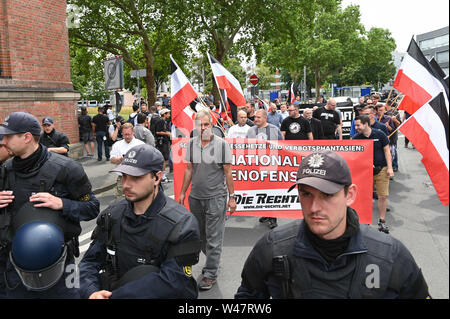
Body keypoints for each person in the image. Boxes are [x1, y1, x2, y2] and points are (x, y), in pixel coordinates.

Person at [235, 150, 430, 299]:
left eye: (327, 195)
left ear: (350, 195)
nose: (314, 207)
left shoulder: (390, 255)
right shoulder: (272, 247)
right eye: (306, 194)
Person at [79, 144, 201, 299]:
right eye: (124, 176)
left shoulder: (183, 224)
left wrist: (115, 297)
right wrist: (91, 292)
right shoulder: (112, 214)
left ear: (157, 177)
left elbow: (172, 281)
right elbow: (89, 262)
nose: (126, 184)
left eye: (136, 177)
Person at [0, 112, 99, 298]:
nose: (3, 141)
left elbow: (92, 207)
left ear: (27, 137)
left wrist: (63, 203)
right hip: (15, 268)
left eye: (8, 136)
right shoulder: (6, 169)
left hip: (61, 267)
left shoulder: (67, 169)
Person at [178, 109, 236, 291]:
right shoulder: (192, 144)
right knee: (199, 236)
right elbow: (188, 169)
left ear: (211, 125)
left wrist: (232, 197)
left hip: (216, 198)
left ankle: (210, 272)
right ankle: (214, 259)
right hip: (195, 198)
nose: (202, 128)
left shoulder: (221, 145)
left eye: (206, 124)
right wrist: (182, 193)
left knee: (213, 237)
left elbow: (228, 171)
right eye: (199, 125)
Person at [353, 115, 394, 233]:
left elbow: (387, 151)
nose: (356, 128)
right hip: (365, 172)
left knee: (382, 196)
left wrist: (390, 168)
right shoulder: (356, 138)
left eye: (358, 125)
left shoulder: (380, 134)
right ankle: (365, 221)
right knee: (365, 197)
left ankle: (382, 221)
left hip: (382, 169)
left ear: (366, 124)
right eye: (355, 125)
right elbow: (355, 156)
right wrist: (365, 163)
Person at [247, 109, 283, 229]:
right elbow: (246, 146)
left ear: (265, 118)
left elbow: (282, 147)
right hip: (257, 168)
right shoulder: (251, 130)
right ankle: (265, 213)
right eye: (255, 117)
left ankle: (273, 217)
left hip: (271, 166)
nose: (255, 119)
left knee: (271, 192)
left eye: (258, 117)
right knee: (260, 191)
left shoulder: (274, 129)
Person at [110, 123, 145, 200]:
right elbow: (112, 160)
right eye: (124, 134)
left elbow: (146, 161)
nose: (127, 136)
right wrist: (118, 160)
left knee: (138, 198)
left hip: (137, 177)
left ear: (133, 132)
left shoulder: (140, 144)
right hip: (122, 177)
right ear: (122, 133)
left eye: (129, 134)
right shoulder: (117, 145)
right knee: (120, 200)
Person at [155, 109, 172, 183]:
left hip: (165, 142)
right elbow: (158, 132)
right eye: (168, 113)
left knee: (165, 159)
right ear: (164, 114)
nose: (169, 115)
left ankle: (163, 175)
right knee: (164, 159)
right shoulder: (161, 121)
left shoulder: (164, 121)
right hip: (162, 143)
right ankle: (162, 176)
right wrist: (167, 134)